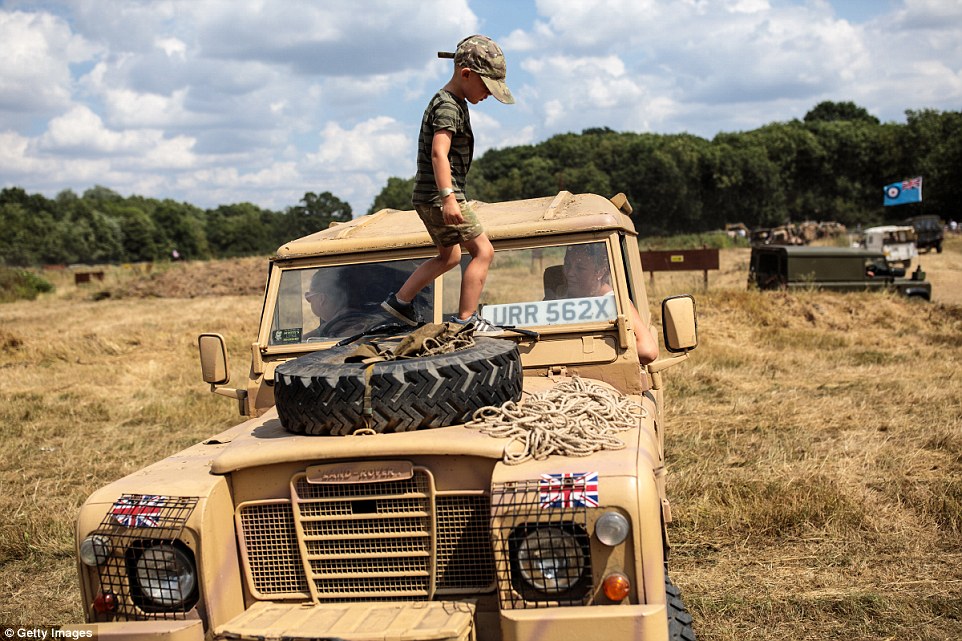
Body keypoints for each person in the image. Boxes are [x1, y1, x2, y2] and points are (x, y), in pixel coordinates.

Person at [382, 35, 514, 337]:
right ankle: (466, 319)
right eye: (486, 87)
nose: (489, 95)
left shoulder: (448, 102)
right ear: (465, 74)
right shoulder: (448, 106)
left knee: (450, 256)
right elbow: (439, 152)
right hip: (442, 195)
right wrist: (450, 198)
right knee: (483, 251)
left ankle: (401, 302)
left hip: (426, 196)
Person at [554, 244, 660, 365]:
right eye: (567, 265)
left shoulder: (615, 304)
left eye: (580, 268)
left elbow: (648, 350)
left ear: (600, 272)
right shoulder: (558, 302)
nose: (570, 273)